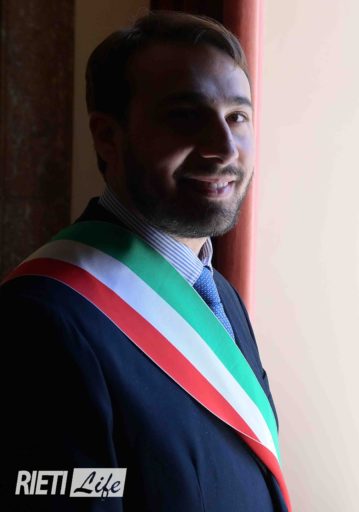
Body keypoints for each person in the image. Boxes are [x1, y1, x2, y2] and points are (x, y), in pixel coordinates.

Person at [0, 11, 290, 511]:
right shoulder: (42, 319)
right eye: (186, 116)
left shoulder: (219, 294)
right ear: (107, 137)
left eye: (237, 117)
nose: (224, 149)